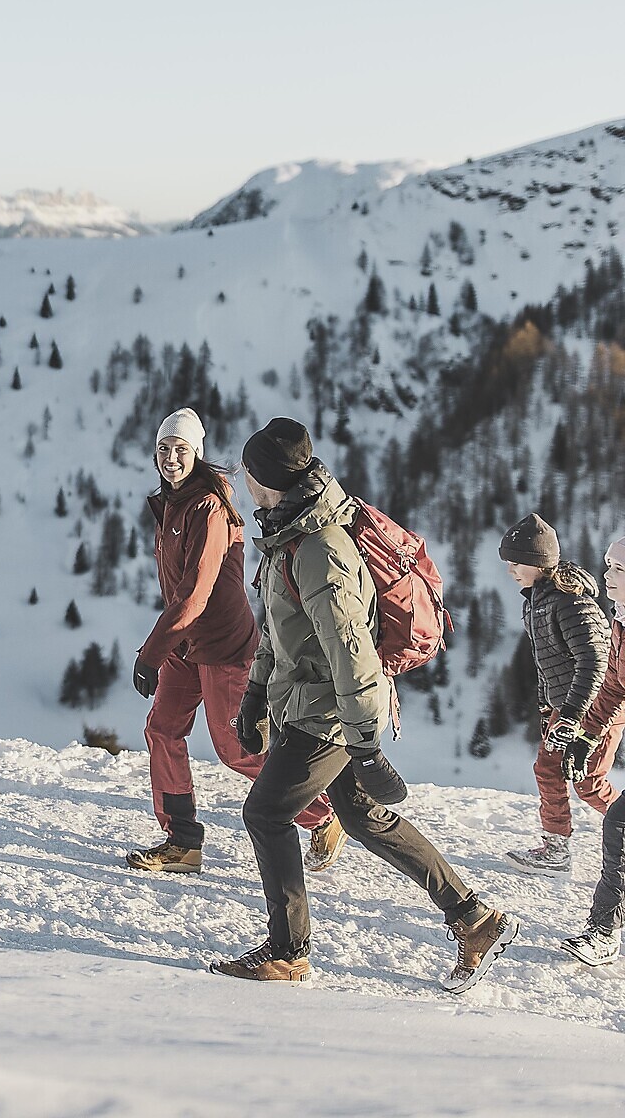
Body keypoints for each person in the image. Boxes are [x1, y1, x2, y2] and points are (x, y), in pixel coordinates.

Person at [209, 417, 515, 990]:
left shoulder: (319, 549)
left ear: (263, 478)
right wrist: (255, 694)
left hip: (327, 714)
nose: (244, 481)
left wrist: (366, 745)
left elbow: (351, 655)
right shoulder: (288, 533)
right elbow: (279, 632)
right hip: (312, 703)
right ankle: (475, 919)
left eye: (248, 471)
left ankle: (288, 951)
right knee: (361, 816)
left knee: (266, 814)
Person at [125, 408, 339, 874]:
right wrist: (166, 647)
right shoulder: (172, 502)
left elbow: (194, 594)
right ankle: (182, 841)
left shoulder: (208, 508)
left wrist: (151, 653)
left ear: (197, 453)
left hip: (223, 646)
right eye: (163, 449)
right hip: (185, 645)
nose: (170, 458)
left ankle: (322, 812)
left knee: (237, 748)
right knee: (162, 729)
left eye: (180, 449)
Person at [497, 513, 624, 874]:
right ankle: (555, 847)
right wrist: (547, 706)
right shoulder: (537, 601)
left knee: (588, 782)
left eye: (517, 562)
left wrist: (571, 717)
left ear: (539, 562)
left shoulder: (570, 603)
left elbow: (596, 663)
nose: (511, 570)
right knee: (549, 770)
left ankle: (565, 847)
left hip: (593, 708)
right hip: (568, 705)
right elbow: (547, 662)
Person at [562, 537, 625, 965]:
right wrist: (586, 737)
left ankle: (604, 931)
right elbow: (615, 687)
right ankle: (604, 929)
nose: (607, 574)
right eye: (608, 564)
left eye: (619, 568)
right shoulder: (622, 622)